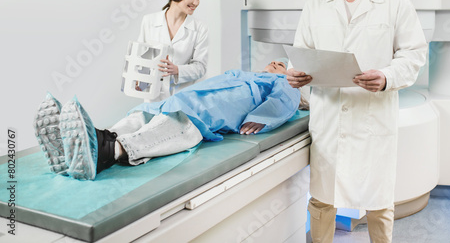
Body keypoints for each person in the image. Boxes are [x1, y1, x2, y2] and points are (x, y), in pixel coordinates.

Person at [286, 0, 427, 243]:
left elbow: (414, 55)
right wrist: (295, 72)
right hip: (329, 119)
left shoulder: (394, 3)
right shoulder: (316, 4)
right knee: (322, 199)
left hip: (372, 120)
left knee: (379, 202)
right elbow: (301, 53)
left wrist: (387, 76)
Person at [34, 61, 301, 181]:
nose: (275, 63)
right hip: (185, 98)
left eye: (280, 65)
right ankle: (93, 140)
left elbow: (286, 103)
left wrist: (260, 118)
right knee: (143, 113)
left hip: (210, 111)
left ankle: (107, 152)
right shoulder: (243, 72)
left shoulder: (284, 82)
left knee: (175, 123)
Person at [137, 0, 208, 102]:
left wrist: (177, 70)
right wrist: (139, 80)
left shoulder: (200, 28)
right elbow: (141, 58)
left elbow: (201, 67)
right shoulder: (149, 21)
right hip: (154, 97)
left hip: (185, 98)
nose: (196, 2)